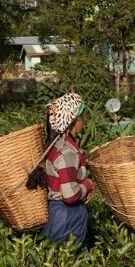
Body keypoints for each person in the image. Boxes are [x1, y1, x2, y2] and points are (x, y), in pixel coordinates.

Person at [41, 93, 94, 245]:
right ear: (75, 121)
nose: (84, 121)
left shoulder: (56, 144)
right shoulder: (67, 152)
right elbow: (70, 195)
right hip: (67, 217)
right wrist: (88, 185)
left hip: (58, 213)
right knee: (70, 260)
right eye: (83, 117)